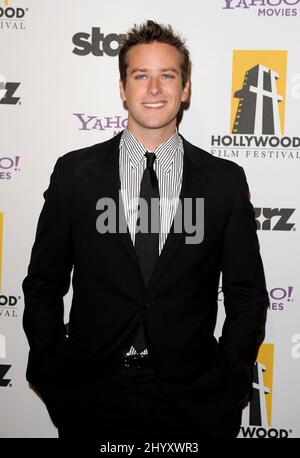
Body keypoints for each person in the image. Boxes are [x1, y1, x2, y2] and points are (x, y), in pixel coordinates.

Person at [22, 19, 269, 440]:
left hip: (193, 399)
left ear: (185, 88)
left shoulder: (224, 181)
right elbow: (43, 284)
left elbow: (247, 294)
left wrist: (229, 377)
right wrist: (53, 368)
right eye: (141, 76)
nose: (154, 89)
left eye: (167, 75)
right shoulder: (74, 173)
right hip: (93, 395)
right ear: (122, 88)